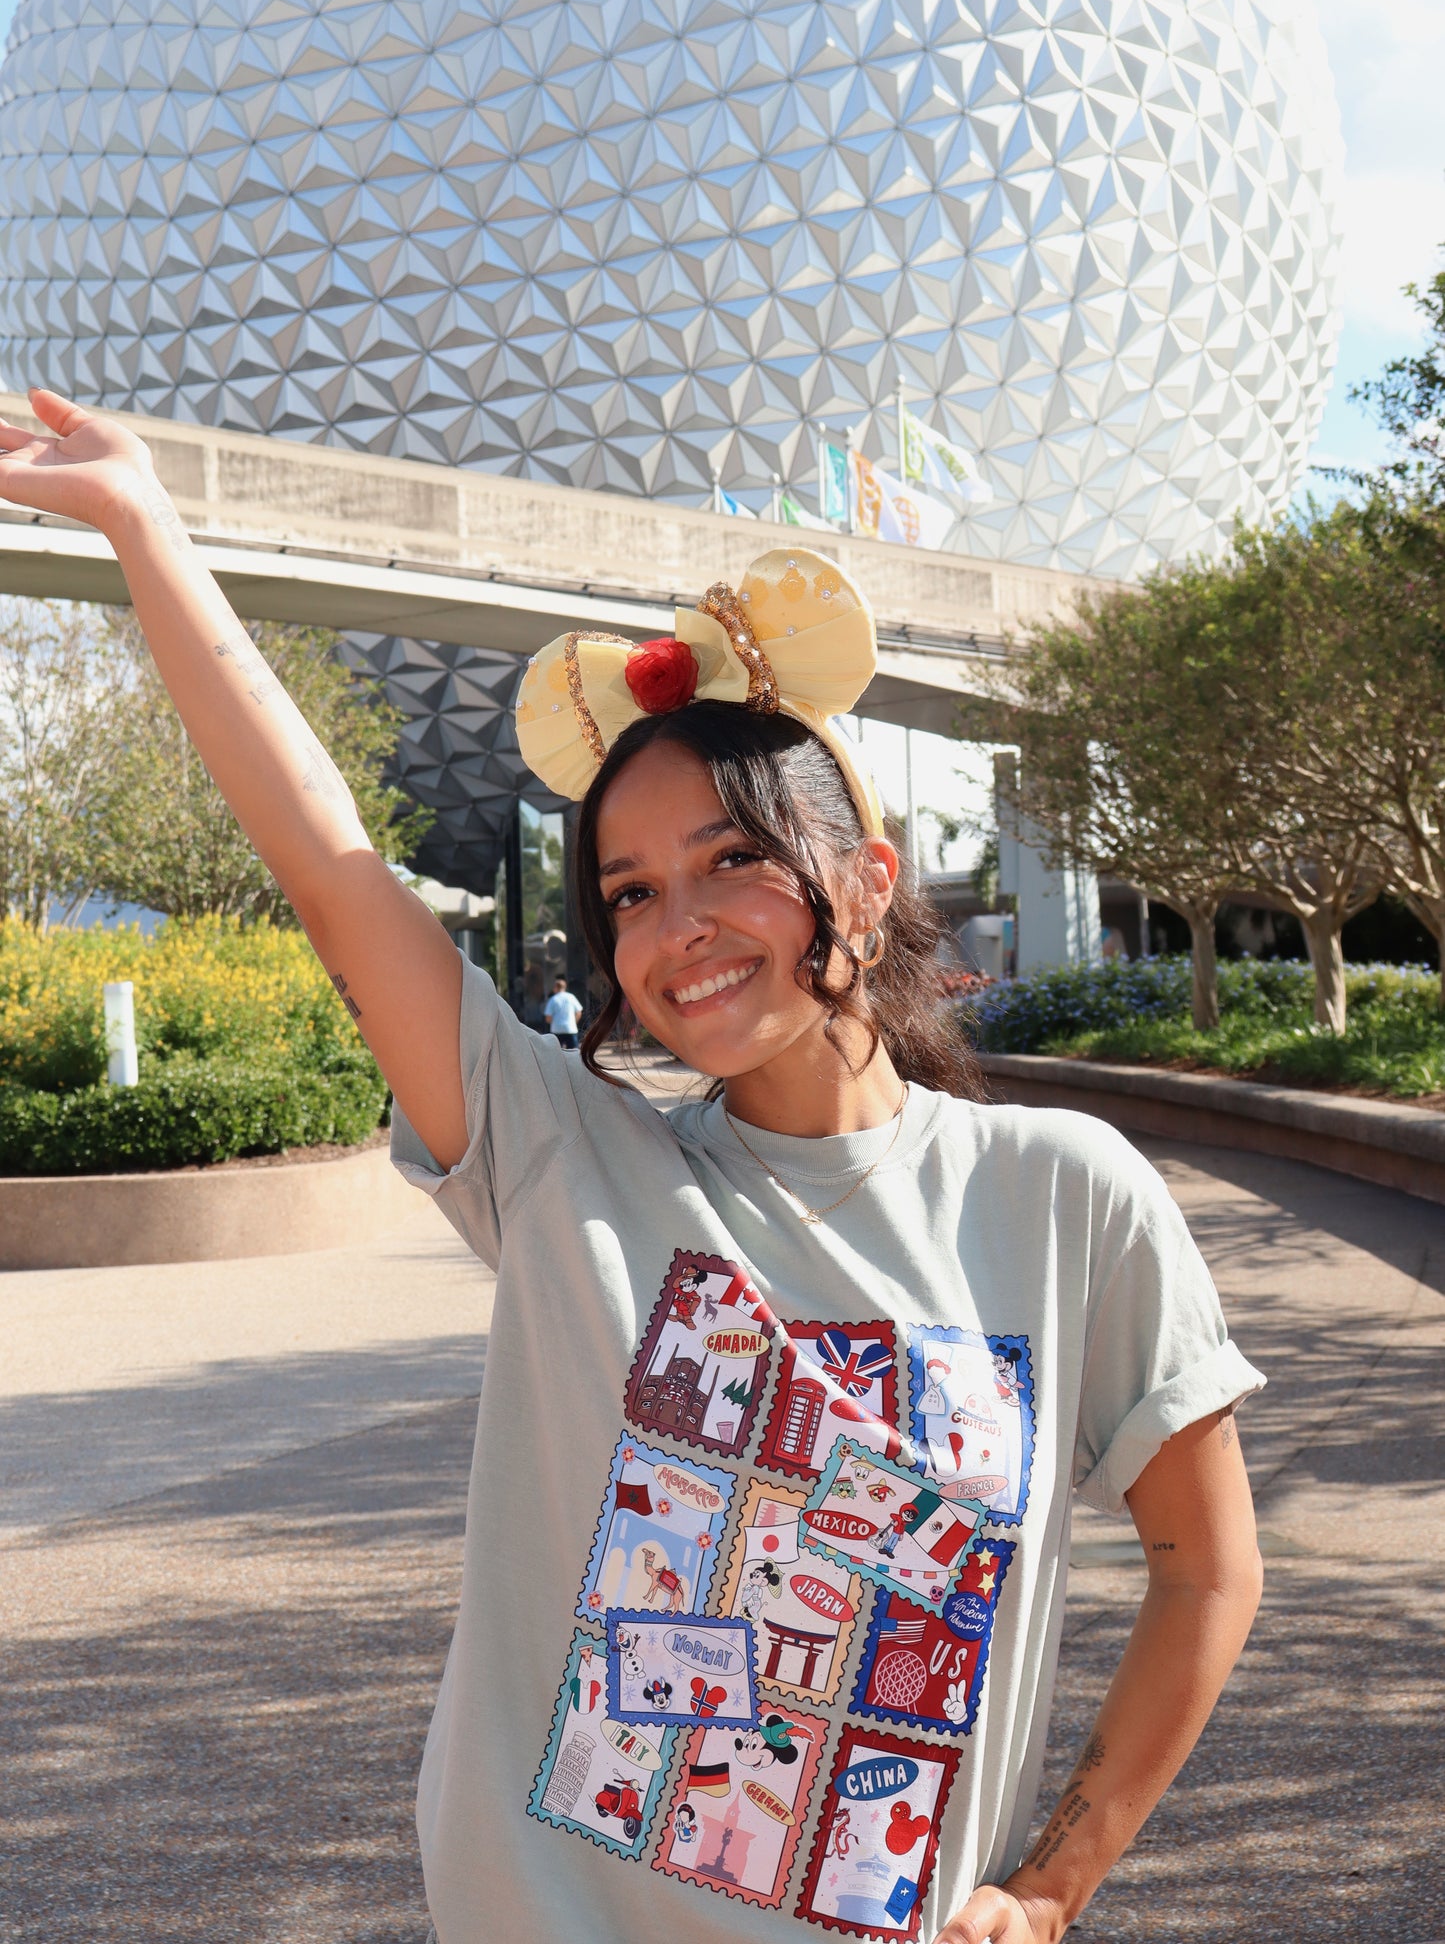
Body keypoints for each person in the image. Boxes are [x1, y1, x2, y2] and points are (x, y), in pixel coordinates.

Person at [0, 389, 1266, 1944]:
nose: (679, 930)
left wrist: (1051, 1883)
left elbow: (1206, 1570)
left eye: (732, 859)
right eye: (631, 892)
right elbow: (331, 871)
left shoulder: (1063, 1195)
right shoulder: (562, 1162)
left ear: (862, 885)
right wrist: (149, 531)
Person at [543, 978, 583, 1049]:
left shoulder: (553, 999)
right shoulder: (571, 997)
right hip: (570, 1029)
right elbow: (579, 1012)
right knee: (573, 1052)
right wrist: (574, 1022)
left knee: (556, 1052)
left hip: (557, 1030)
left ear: (556, 987)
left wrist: (555, 1022)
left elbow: (548, 1018)